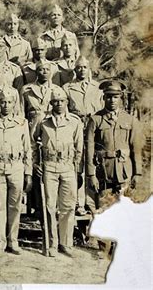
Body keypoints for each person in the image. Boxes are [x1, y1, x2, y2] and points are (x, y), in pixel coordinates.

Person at [32, 88, 83, 258]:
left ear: (67, 102)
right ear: (51, 103)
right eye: (55, 101)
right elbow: (32, 142)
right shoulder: (43, 121)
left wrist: (76, 167)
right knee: (49, 206)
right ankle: (50, 243)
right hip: (49, 166)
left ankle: (65, 243)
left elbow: (79, 148)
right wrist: (34, 163)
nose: (59, 104)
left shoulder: (75, 122)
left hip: (68, 167)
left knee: (68, 206)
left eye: (62, 101)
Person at [0, 88, 32, 256]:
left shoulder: (22, 123)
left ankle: (13, 240)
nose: (6, 105)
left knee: (15, 206)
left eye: (9, 102)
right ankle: (0, 241)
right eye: (2, 102)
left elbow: (27, 150)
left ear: (14, 104)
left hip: (16, 166)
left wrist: (28, 172)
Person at [85, 80, 143, 207]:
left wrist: (137, 173)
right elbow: (89, 149)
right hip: (104, 172)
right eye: (109, 97)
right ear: (104, 97)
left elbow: (136, 149)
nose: (112, 100)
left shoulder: (130, 120)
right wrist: (91, 175)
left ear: (120, 98)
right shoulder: (95, 120)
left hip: (124, 171)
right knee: (105, 209)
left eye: (115, 97)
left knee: (125, 210)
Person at [63, 55, 103, 215]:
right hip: (76, 126)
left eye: (84, 67)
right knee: (77, 164)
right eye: (78, 67)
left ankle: (91, 203)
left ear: (89, 69)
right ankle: (78, 203)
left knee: (92, 164)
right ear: (74, 69)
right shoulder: (67, 87)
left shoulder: (97, 87)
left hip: (92, 127)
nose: (81, 70)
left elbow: (100, 109)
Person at [21, 59, 65, 129]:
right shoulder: (26, 89)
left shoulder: (58, 90)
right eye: (41, 69)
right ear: (36, 72)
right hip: (33, 125)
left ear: (51, 72)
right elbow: (21, 112)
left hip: (51, 126)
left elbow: (63, 112)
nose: (45, 72)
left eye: (47, 69)